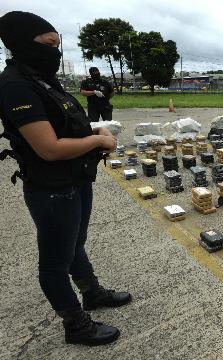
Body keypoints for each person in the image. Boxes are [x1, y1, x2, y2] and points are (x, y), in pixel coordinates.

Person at [0, 11, 131, 346]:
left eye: (58, 44)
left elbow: (65, 125)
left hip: (75, 179)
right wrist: (99, 141)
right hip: (52, 187)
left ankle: (91, 292)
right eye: (48, 43)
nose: (55, 51)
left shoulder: (43, 80)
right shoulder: (16, 86)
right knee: (55, 261)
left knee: (75, 244)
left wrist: (92, 129)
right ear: (21, 43)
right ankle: (76, 325)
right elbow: (49, 148)